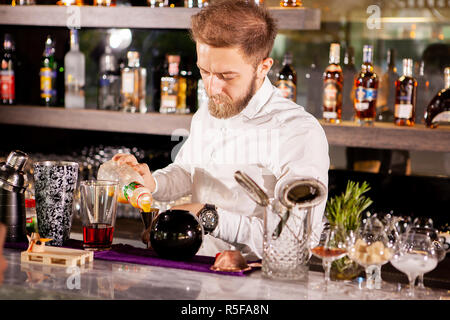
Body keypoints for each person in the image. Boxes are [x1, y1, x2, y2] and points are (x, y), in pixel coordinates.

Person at [113, 0, 329, 260]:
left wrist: (210, 217)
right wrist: (155, 183)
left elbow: (297, 239)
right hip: (192, 274)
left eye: (226, 76)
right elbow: (189, 171)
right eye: (204, 71)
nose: (212, 88)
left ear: (263, 67)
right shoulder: (209, 111)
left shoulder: (298, 132)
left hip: (254, 287)